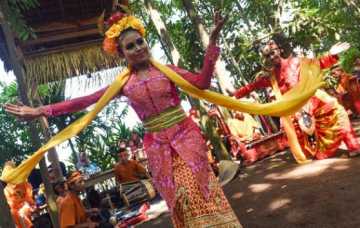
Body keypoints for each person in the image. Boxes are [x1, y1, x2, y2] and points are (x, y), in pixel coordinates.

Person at [5, 11, 242, 227]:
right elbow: (84, 101)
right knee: (179, 201)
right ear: (122, 53)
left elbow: (201, 83)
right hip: (158, 148)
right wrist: (40, 111)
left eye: (140, 42)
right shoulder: (123, 84)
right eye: (130, 46)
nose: (138, 48)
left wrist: (212, 45)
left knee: (198, 191)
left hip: (187, 140)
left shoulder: (167, 71)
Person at [234, 40, 360, 160]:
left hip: (314, 99)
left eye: (273, 53)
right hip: (297, 111)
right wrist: (234, 96)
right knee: (311, 141)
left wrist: (331, 55)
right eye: (267, 56)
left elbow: (317, 64)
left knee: (339, 112)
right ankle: (326, 150)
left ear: (279, 50)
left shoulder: (296, 62)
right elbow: (251, 86)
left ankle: (354, 147)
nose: (271, 57)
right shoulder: (270, 76)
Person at [3, 161, 36, 228]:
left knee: (21, 213)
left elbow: (28, 197)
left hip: (24, 206)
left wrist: (29, 204)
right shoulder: (5, 188)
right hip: (12, 210)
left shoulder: (22, 182)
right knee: (13, 213)